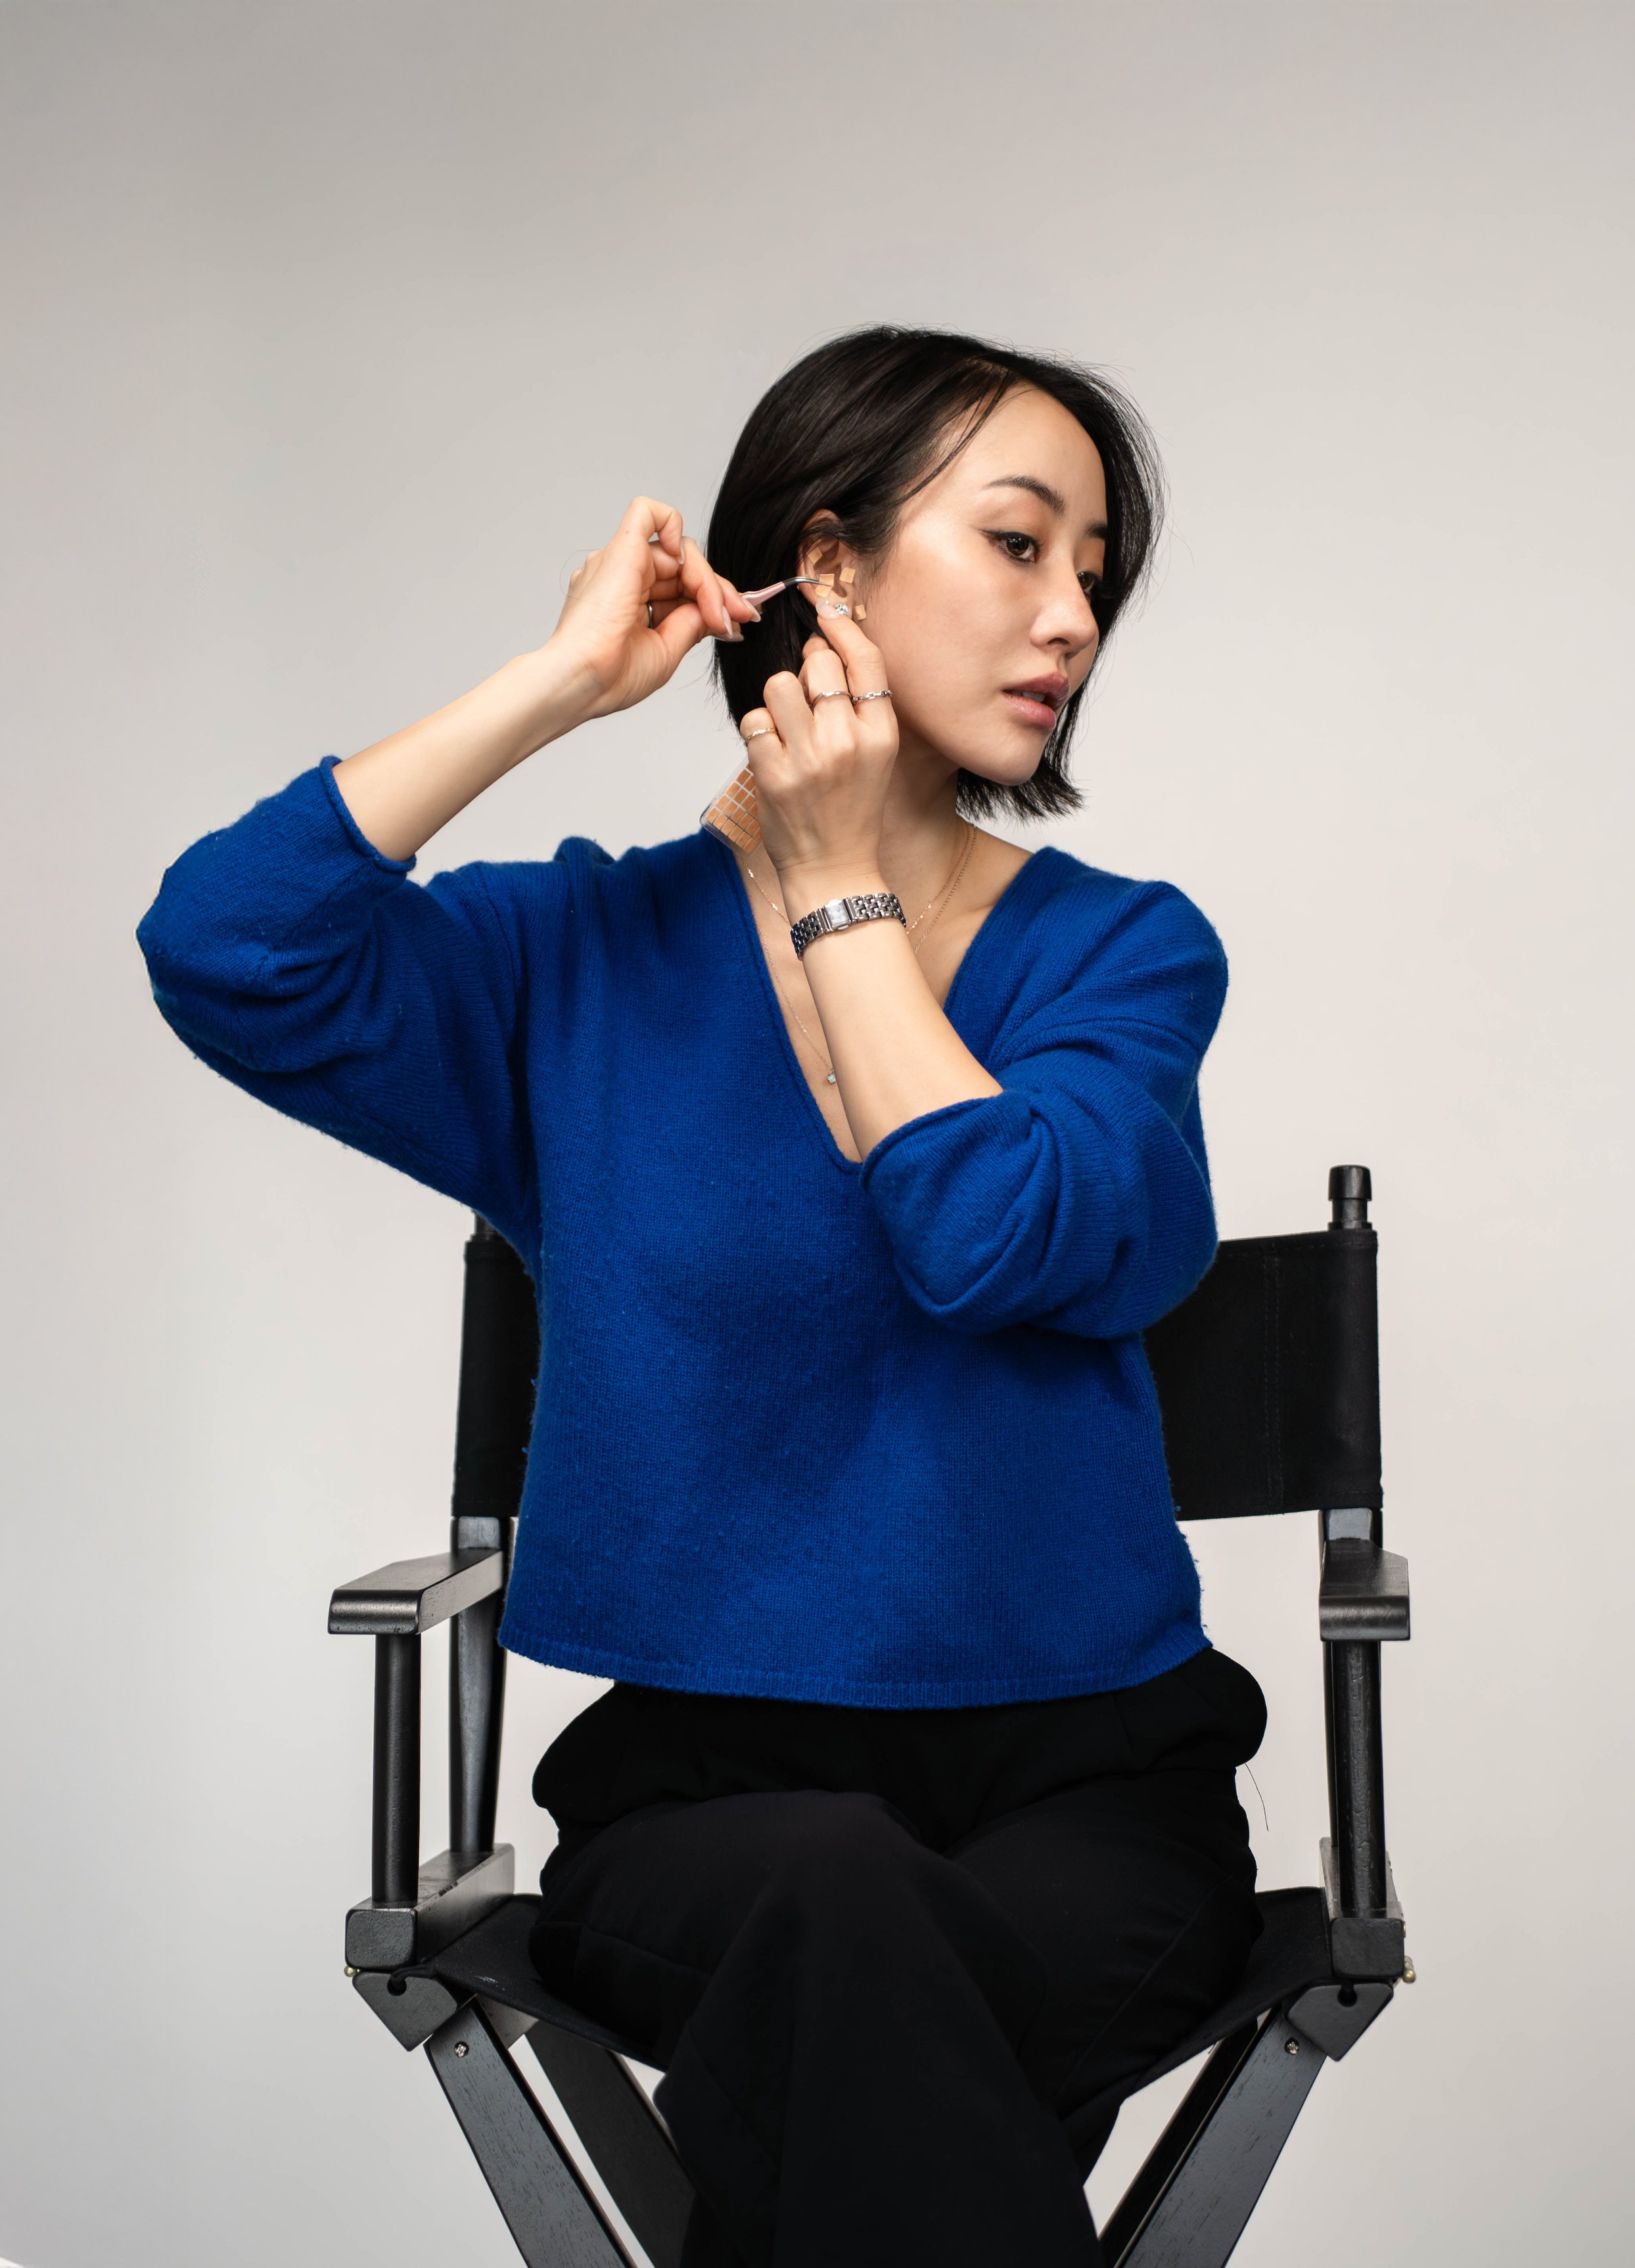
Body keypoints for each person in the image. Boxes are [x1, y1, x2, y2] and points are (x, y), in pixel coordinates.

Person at [138, 327, 1266, 2268]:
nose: (1071, 613)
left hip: (1094, 1783)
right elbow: (229, 946)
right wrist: (557, 686)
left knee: (850, 2048)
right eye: (1017, 542)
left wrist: (837, 889)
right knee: (835, 1925)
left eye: (1095, 567)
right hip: (711, 1795)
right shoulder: (565, 958)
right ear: (824, 569)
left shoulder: (1123, 960)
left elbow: (986, 1230)